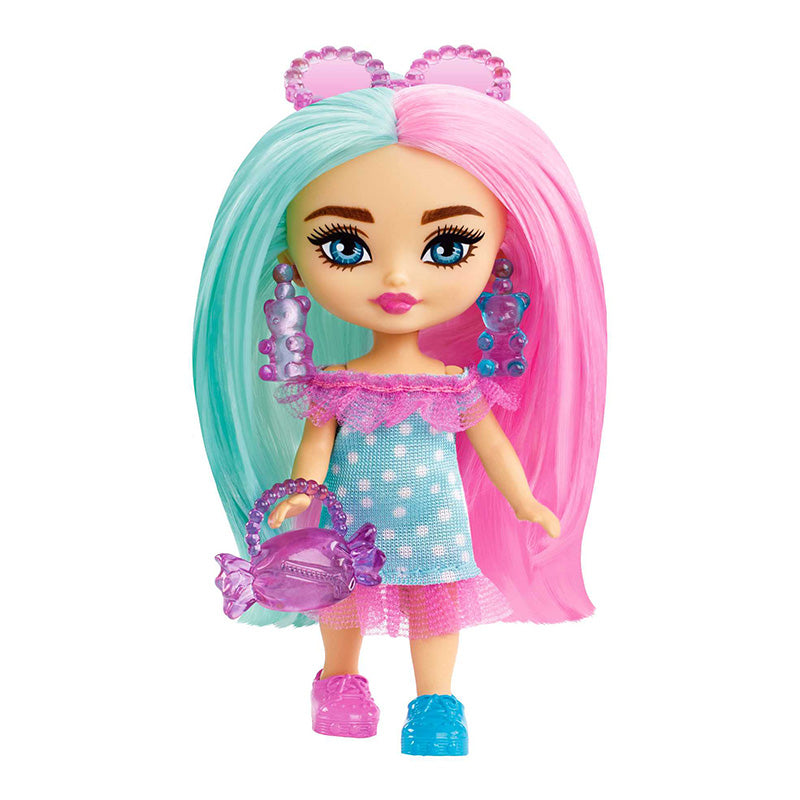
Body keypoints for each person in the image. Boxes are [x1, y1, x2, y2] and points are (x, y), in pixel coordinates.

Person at [194, 46, 606, 756]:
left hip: (433, 522)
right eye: (344, 247)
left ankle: (436, 702)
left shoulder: (454, 386)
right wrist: (299, 497)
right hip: (350, 521)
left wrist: (525, 501)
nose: (395, 277)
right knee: (341, 598)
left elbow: (493, 449)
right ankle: (340, 683)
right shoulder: (337, 385)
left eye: (445, 248)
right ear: (292, 260)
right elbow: (315, 451)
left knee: (434, 605)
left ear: (498, 256)